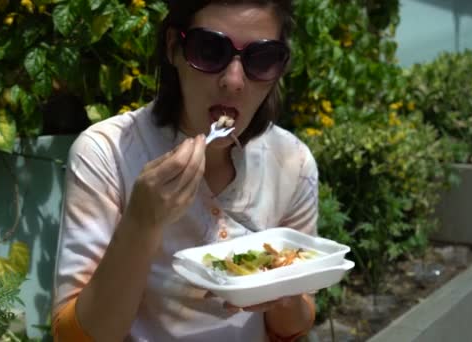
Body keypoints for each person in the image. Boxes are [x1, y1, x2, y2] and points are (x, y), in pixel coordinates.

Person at [51, 0, 320, 341]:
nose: (234, 81)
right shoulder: (106, 152)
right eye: (210, 50)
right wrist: (140, 223)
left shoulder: (292, 161)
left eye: (262, 59)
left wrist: (281, 284)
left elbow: (293, 329)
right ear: (174, 48)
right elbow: (73, 337)